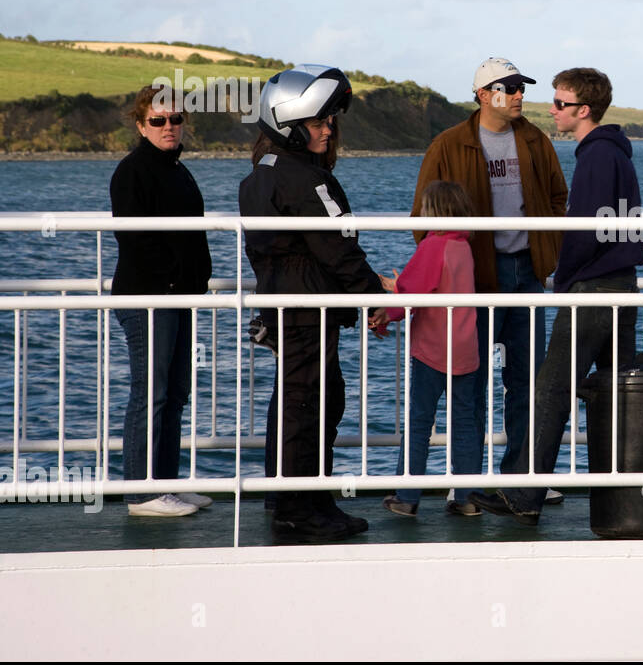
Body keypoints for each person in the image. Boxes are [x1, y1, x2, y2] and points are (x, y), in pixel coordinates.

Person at [471, 67, 643, 524]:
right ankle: (622, 494)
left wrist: (561, 275)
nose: (551, 109)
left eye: (561, 103)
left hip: (594, 287)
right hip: (620, 282)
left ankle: (523, 495)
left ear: (583, 111)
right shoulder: (613, 153)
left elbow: (586, 231)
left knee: (551, 388)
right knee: (614, 389)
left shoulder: (597, 157)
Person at [239, 65, 386, 542]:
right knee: (313, 405)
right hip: (308, 310)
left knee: (296, 403)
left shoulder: (259, 176)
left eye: (329, 121)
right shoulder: (306, 180)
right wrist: (375, 298)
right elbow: (339, 251)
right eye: (319, 122)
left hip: (284, 306)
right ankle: (306, 507)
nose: (328, 130)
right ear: (290, 124)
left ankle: (289, 498)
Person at [411, 57, 568, 499]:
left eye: (521, 87)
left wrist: (547, 253)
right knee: (472, 382)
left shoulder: (535, 140)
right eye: (510, 87)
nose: (520, 94)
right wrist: (445, 272)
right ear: (483, 94)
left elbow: (558, 199)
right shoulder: (448, 144)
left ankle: (519, 482)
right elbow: (422, 217)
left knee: (527, 382)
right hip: (474, 280)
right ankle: (470, 485)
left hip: (526, 273)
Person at [110, 85, 213, 516]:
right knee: (150, 392)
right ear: (141, 125)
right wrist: (172, 279)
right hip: (148, 296)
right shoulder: (133, 171)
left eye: (175, 119)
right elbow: (134, 238)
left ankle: (166, 483)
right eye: (158, 120)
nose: (169, 127)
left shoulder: (177, 169)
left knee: (174, 393)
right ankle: (140, 493)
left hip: (179, 296)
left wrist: (196, 279)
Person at [374, 180, 480, 518]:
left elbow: (414, 292)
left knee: (419, 422)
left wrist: (385, 314)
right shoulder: (463, 246)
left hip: (433, 348)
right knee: (465, 422)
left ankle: (406, 495)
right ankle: (467, 497)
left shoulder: (434, 245)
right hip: (466, 347)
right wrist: (402, 286)